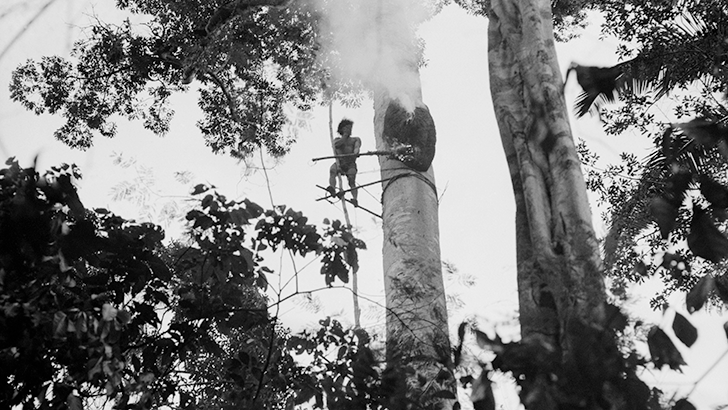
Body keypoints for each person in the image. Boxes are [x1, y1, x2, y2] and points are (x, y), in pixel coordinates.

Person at [327, 119, 361, 206]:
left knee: (351, 180)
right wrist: (344, 137)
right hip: (340, 162)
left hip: (350, 163)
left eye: (350, 128)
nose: (349, 130)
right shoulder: (337, 140)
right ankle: (332, 188)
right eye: (347, 128)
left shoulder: (355, 140)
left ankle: (355, 199)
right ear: (342, 129)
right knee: (332, 170)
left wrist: (355, 153)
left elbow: (356, 148)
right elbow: (336, 145)